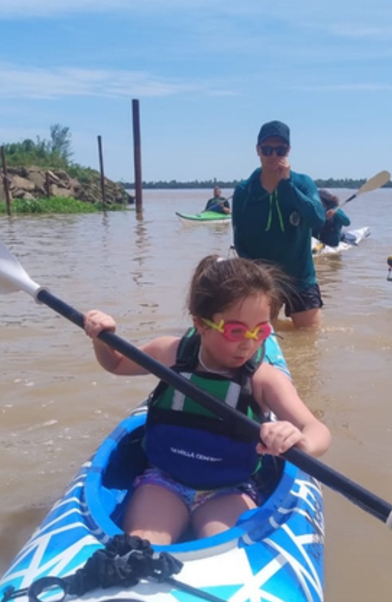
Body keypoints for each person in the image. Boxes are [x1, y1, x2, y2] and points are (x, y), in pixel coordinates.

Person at [83, 255, 331, 546]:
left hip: (229, 489)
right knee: (141, 545)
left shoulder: (264, 379)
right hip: (164, 481)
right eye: (236, 331)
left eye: (260, 331)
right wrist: (102, 339)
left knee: (230, 550)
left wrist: (300, 441)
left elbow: (316, 429)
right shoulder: (170, 354)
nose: (248, 343)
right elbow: (116, 364)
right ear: (200, 324)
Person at [232, 120, 326, 329]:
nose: (273, 156)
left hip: (301, 278)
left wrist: (287, 186)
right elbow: (240, 242)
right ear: (258, 151)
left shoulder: (303, 183)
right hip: (262, 282)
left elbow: (318, 219)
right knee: (261, 341)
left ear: (288, 151)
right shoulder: (244, 191)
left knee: (310, 342)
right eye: (267, 150)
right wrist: (255, 278)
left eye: (280, 150)